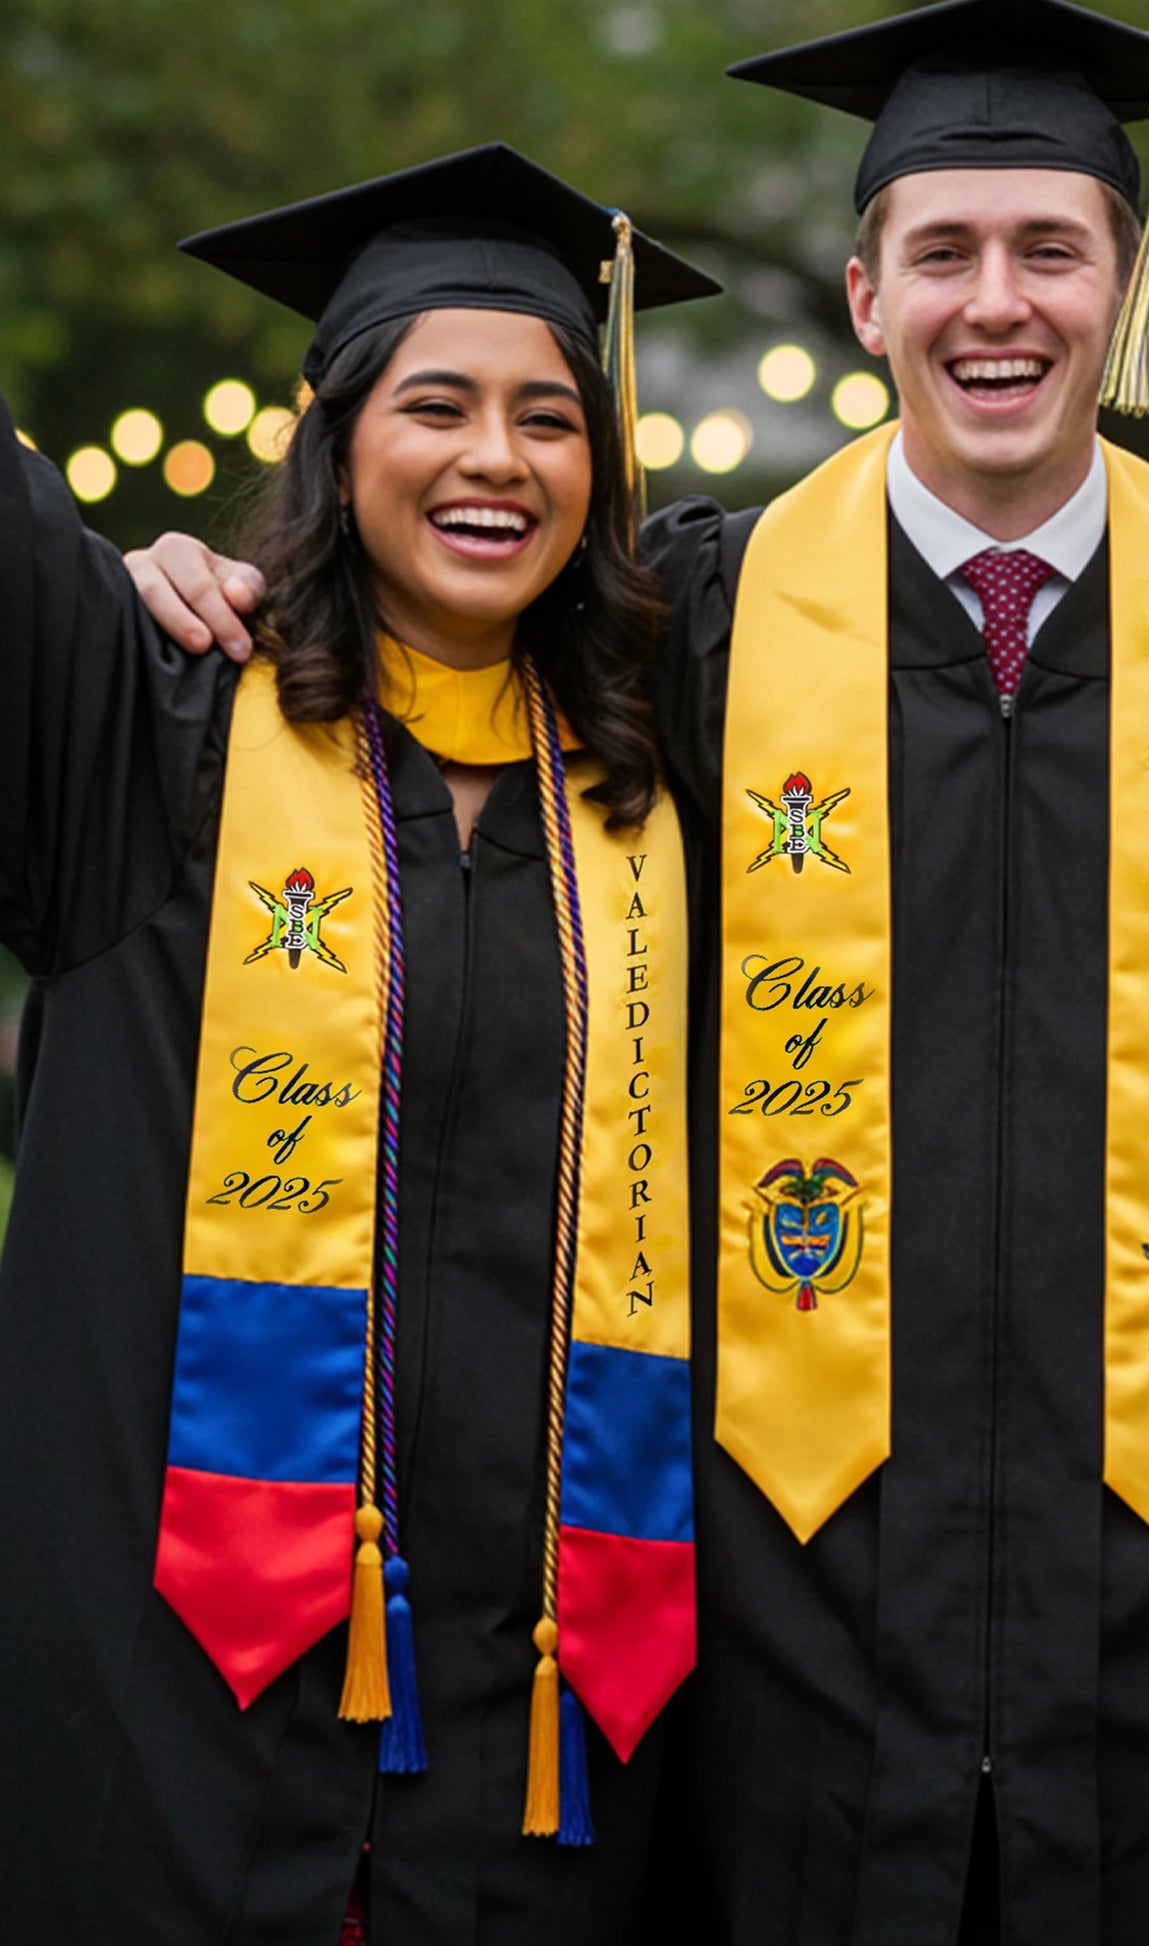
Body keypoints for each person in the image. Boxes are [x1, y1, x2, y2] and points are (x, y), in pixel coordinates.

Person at [128, 4, 1149, 1939]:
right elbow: (434, 705)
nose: (997, 303)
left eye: (1049, 250)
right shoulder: (694, 620)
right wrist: (222, 583)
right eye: (943, 252)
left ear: (1122, 288)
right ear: (867, 292)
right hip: (790, 1612)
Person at [0, 146, 719, 1943]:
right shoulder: (152, 719)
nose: (497, 458)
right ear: (333, 439)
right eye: (437, 405)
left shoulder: (659, 793)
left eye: (549, 418)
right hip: (169, 1720)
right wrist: (126, 565)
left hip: (542, 1730)